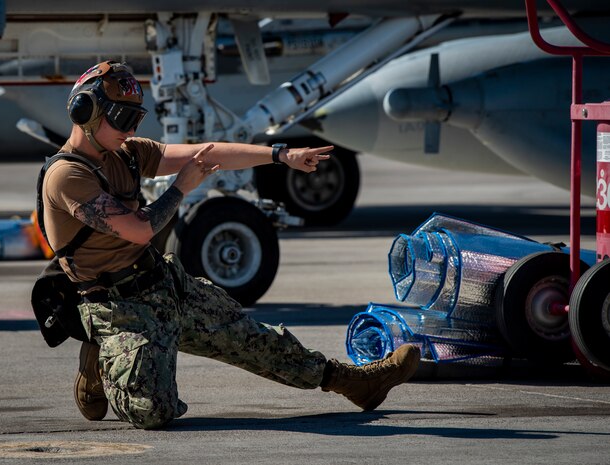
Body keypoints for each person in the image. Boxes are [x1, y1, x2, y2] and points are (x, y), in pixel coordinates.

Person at [41, 60, 420, 429]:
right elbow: (140, 229)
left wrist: (281, 156)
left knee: (256, 341)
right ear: (85, 111)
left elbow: (209, 154)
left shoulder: (127, 154)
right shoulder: (67, 175)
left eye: (135, 119)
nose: (130, 129)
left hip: (161, 283)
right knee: (154, 412)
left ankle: (355, 383)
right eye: (122, 119)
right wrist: (180, 188)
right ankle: (102, 355)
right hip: (116, 307)